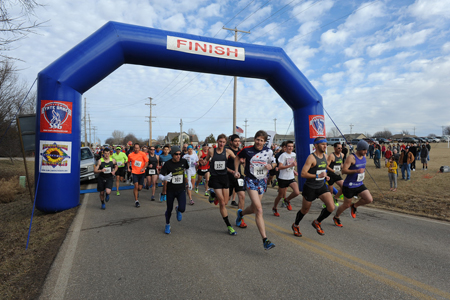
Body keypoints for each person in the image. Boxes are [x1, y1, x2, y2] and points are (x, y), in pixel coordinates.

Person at [235, 130, 277, 250]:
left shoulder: (268, 151)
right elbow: (237, 157)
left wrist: (271, 166)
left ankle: (241, 213)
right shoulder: (247, 150)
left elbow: (274, 163)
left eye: (262, 140)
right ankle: (265, 240)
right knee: (259, 209)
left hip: (262, 181)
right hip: (250, 180)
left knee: (254, 208)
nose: (259, 142)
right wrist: (237, 170)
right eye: (257, 139)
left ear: (265, 142)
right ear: (255, 139)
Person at [291, 137, 335, 237]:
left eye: (326, 144)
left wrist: (326, 176)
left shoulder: (325, 156)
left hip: (321, 186)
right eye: (322, 144)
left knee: (331, 207)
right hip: (310, 187)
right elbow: (303, 174)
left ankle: (317, 222)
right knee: (305, 210)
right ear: (316, 145)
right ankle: (296, 225)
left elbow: (322, 170)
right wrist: (317, 176)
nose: (325, 146)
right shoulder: (311, 158)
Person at [333, 140, 373, 227]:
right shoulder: (351, 157)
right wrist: (356, 171)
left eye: (366, 150)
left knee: (369, 199)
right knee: (346, 205)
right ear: (359, 149)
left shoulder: (364, 156)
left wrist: (362, 174)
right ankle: (336, 217)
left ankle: (354, 206)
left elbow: (362, 168)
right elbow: (343, 171)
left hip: (359, 184)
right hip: (349, 185)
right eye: (364, 150)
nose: (366, 152)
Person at [204, 134, 238, 235]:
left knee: (226, 202)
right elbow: (206, 160)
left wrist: (236, 170)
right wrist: (202, 162)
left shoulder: (228, 152)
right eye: (220, 142)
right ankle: (229, 226)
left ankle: (213, 196)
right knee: (222, 203)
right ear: (217, 141)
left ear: (226, 142)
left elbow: (236, 159)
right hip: (215, 179)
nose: (221, 144)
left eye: (223, 142)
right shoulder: (211, 151)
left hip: (224, 178)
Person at [159, 146, 190, 234]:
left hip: (181, 189)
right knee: (169, 209)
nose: (178, 156)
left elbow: (188, 169)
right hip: (171, 190)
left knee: (183, 209)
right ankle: (167, 224)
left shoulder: (183, 161)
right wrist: (164, 177)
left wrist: (189, 181)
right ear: (172, 154)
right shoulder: (168, 164)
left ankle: (178, 209)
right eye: (176, 154)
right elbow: (160, 175)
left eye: (180, 154)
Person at [272, 140, 300, 217]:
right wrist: (291, 166)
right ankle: (275, 208)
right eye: (289, 146)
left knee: (297, 192)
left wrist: (293, 170)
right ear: (285, 147)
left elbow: (290, 164)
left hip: (291, 177)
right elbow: (280, 167)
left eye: (292, 146)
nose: (290, 148)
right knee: (280, 196)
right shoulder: (283, 155)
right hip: (283, 178)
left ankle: (287, 200)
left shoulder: (294, 154)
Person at [226, 135, 247, 228]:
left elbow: (244, 164)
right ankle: (215, 195)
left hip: (238, 176)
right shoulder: (226, 151)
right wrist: (232, 171)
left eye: (239, 141)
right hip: (228, 176)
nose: (238, 143)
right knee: (226, 201)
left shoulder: (241, 151)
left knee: (242, 195)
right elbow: (223, 166)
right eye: (235, 141)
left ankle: (240, 218)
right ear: (231, 141)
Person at [127, 143, 149, 207]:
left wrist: (143, 168)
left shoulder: (143, 154)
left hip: (141, 173)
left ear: (139, 148)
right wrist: (128, 168)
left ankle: (137, 191)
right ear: (133, 148)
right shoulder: (130, 155)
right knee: (136, 186)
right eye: (135, 148)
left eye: (137, 148)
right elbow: (128, 162)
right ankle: (136, 201)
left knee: (140, 188)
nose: (136, 149)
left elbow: (147, 162)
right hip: (134, 172)